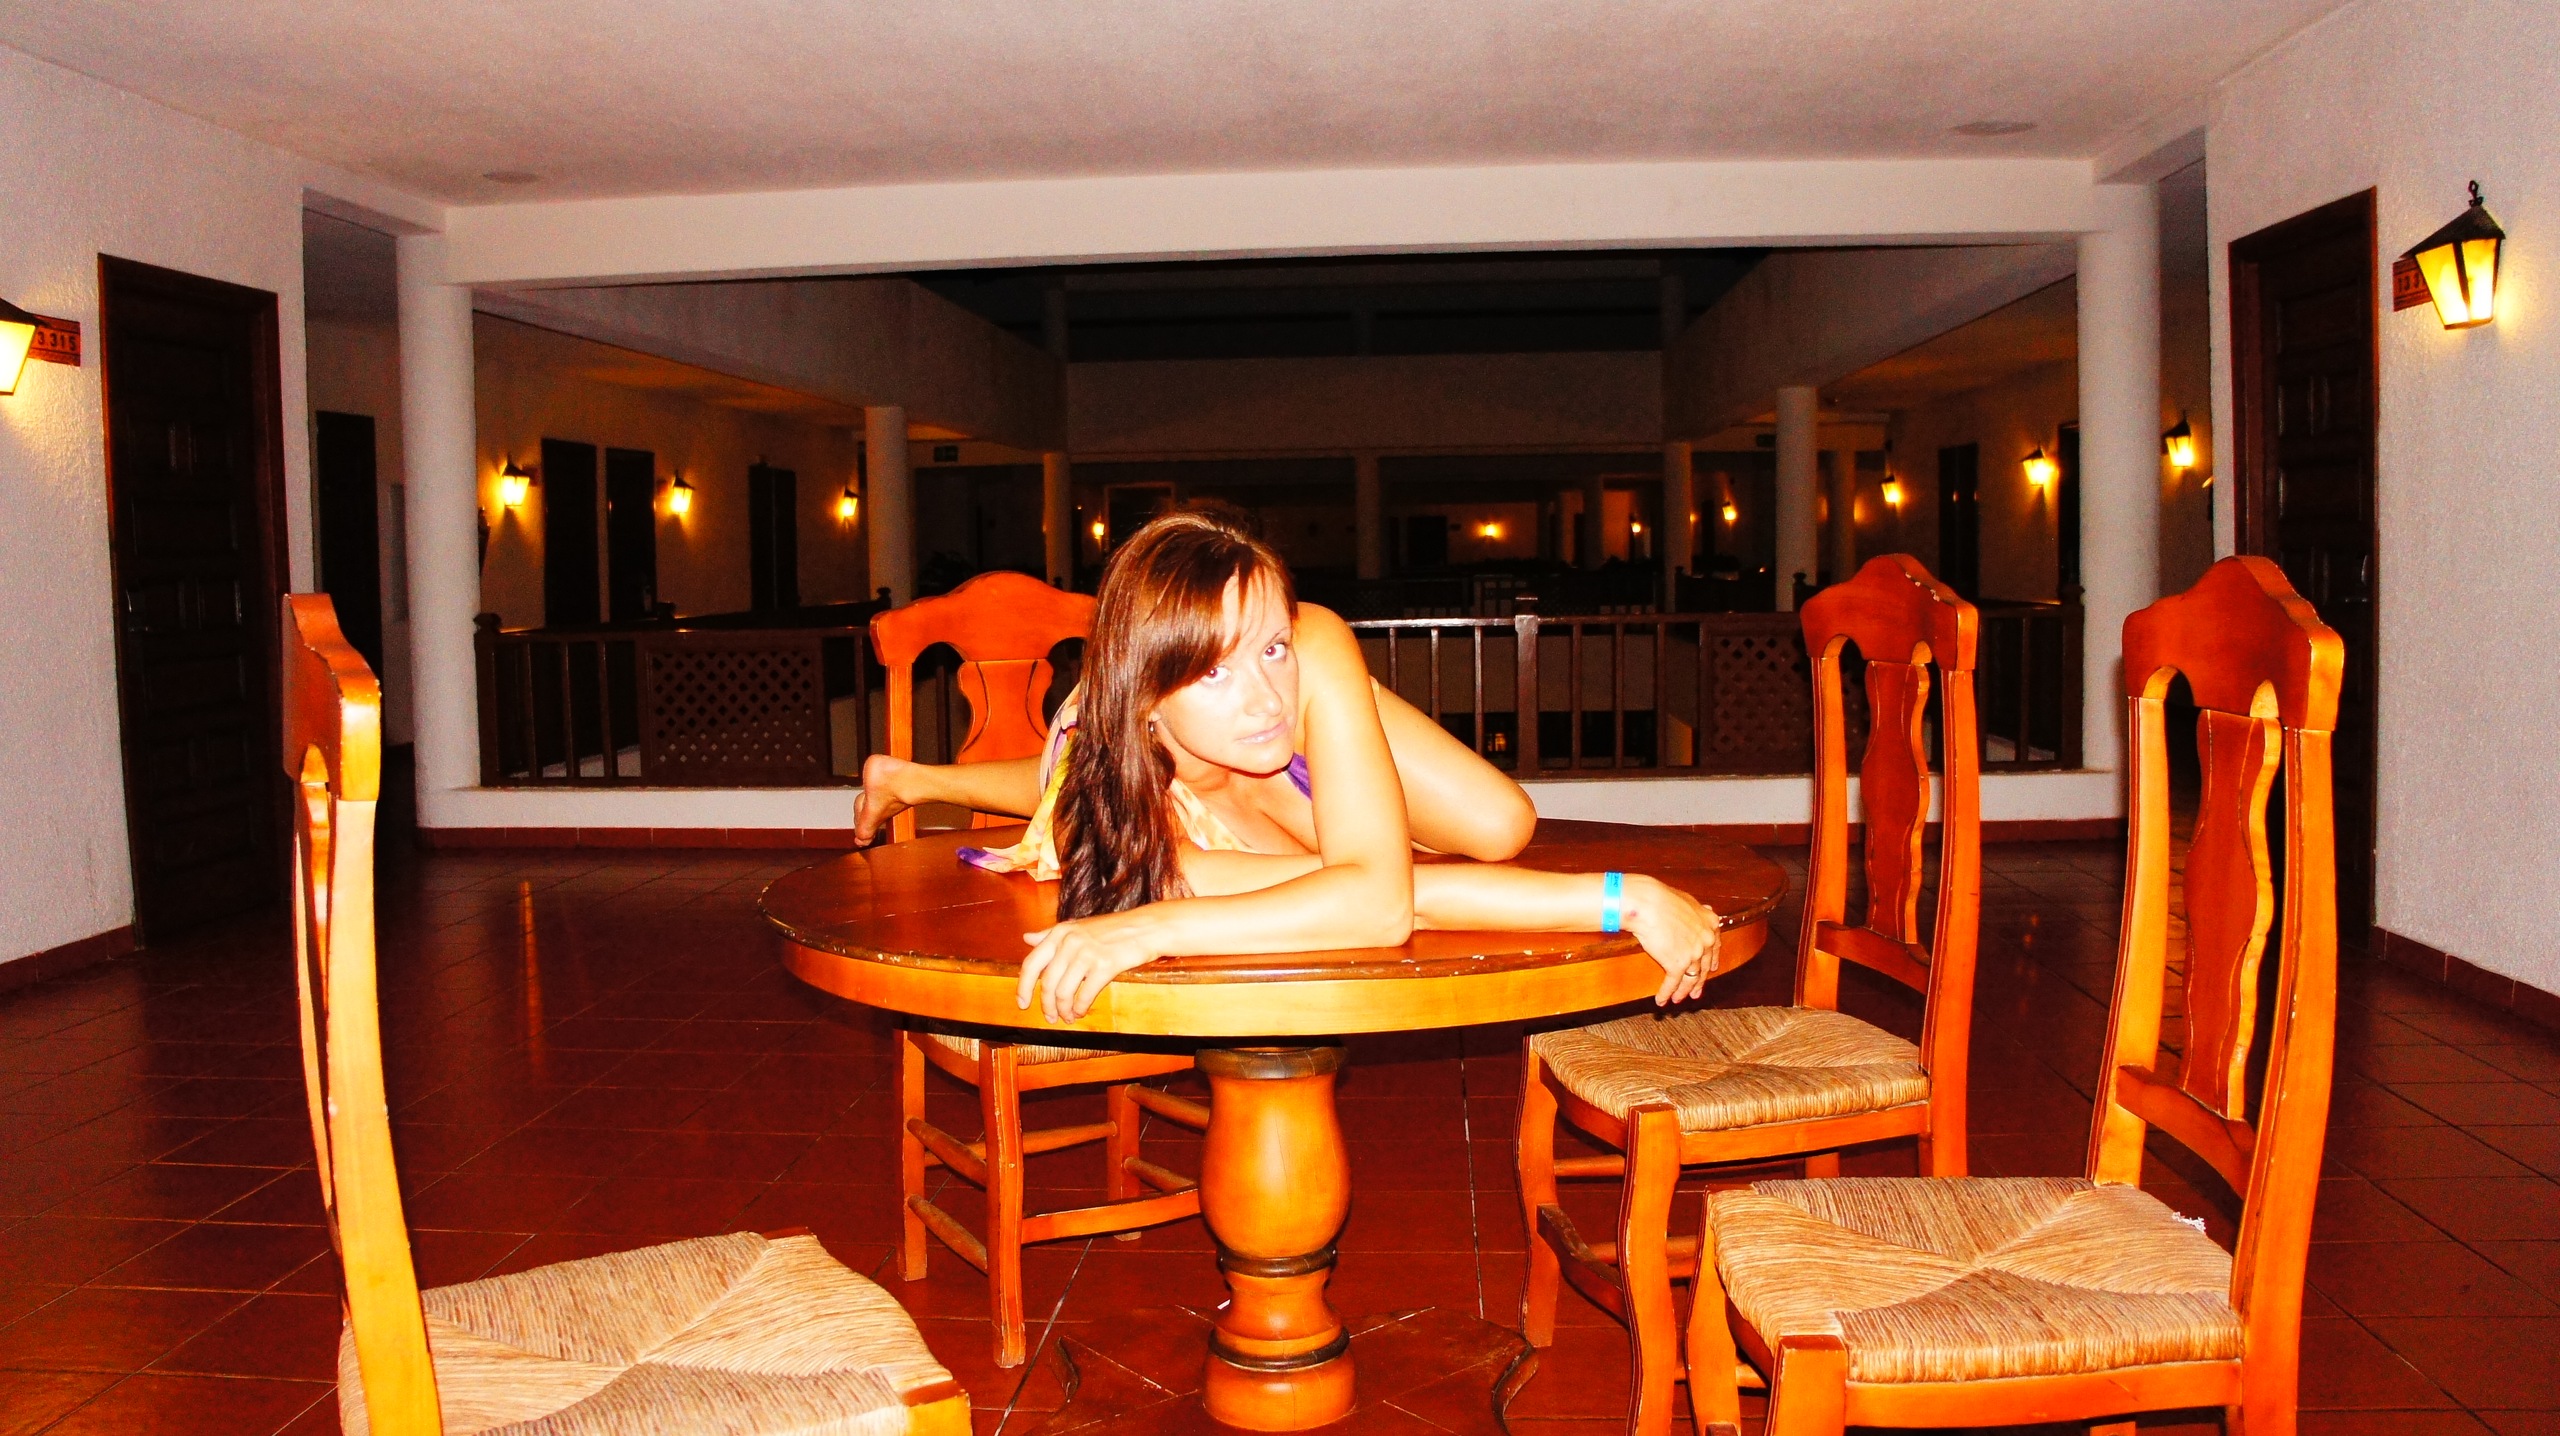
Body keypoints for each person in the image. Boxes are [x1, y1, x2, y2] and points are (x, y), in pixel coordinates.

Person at [851, 508, 1720, 1024]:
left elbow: (1376, 888)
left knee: (1502, 824)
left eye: (1270, 647)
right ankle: (917, 778)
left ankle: (914, 776)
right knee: (1065, 791)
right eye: (1214, 670)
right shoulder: (1146, 831)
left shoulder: (1307, 645)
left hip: (1166, 724)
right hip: (1115, 753)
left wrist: (1312, 685)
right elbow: (1386, 903)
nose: (1266, 699)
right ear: (1147, 693)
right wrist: (1626, 897)